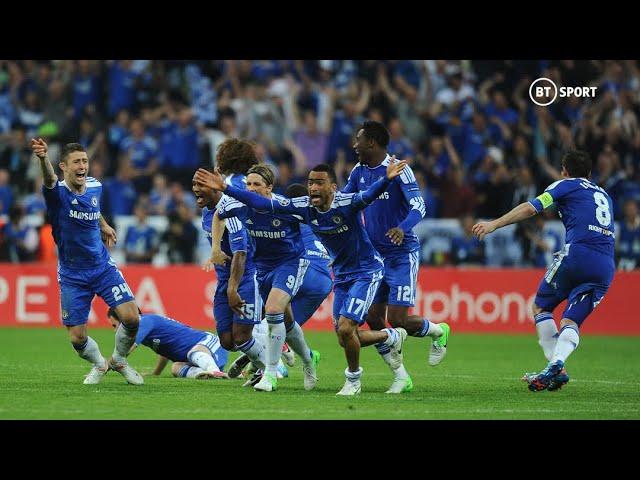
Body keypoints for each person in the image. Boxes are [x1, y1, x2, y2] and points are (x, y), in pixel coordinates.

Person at [195, 159, 408, 396]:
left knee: (288, 314)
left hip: (333, 268)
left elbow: (368, 195)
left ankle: (278, 374)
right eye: (310, 183)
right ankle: (316, 359)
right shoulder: (298, 206)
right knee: (328, 331)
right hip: (298, 272)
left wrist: (386, 178)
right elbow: (229, 211)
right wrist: (216, 245)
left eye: (319, 182)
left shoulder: (333, 203)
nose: (313, 187)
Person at [472, 150, 615, 391]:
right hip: (606, 265)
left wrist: (494, 224)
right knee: (570, 321)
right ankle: (558, 364)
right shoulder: (605, 195)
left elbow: (532, 207)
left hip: (578, 255)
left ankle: (556, 368)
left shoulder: (565, 185)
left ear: (564, 171)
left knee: (540, 306)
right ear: (590, 174)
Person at [343, 120, 450, 393]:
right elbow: (345, 202)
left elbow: (419, 206)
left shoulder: (400, 169)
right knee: (373, 317)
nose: (355, 145)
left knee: (399, 320)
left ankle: (438, 331)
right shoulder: (358, 171)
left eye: (359, 140)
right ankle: (400, 374)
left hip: (402, 253)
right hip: (374, 258)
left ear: (372, 143)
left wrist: (402, 229)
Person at [31, 138, 143, 385]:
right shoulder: (57, 194)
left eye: (85, 161)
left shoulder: (95, 186)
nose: (82, 166)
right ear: (64, 167)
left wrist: (103, 224)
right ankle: (98, 364)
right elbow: (49, 180)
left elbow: (93, 208)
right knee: (77, 338)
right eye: (76, 162)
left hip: (102, 267)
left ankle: (119, 359)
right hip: (72, 274)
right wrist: (42, 158)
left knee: (132, 318)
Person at [216, 163, 320, 393]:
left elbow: (315, 218)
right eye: (248, 184)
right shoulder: (240, 207)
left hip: (291, 263)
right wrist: (215, 248)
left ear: (270, 187)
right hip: (263, 268)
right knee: (288, 322)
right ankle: (309, 361)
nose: (251, 189)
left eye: (257, 184)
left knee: (273, 310)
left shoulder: (283, 206)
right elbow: (218, 214)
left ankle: (270, 374)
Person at [192, 163, 267, 384]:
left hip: (245, 277)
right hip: (224, 279)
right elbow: (220, 243)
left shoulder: (231, 210)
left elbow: (241, 253)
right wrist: (214, 252)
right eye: (194, 185)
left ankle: (271, 370)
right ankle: (262, 347)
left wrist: (233, 289)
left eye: (200, 185)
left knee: (242, 336)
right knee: (227, 340)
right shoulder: (208, 212)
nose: (196, 189)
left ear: (215, 188)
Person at [107, 308, 229, 379]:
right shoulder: (144, 325)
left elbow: (125, 350)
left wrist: (104, 367)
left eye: (115, 325)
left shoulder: (143, 321)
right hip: (199, 358)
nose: (114, 330)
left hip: (209, 344)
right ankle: (204, 374)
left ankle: (214, 371)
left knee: (194, 352)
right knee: (175, 368)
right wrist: (156, 374)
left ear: (124, 319)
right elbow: (165, 351)